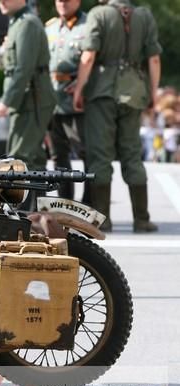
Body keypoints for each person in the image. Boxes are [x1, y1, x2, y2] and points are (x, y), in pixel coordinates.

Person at [73, 0, 160, 232]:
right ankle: (141, 219)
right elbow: (153, 59)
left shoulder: (98, 14)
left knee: (100, 155)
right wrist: (152, 93)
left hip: (102, 92)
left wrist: (79, 89)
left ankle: (104, 219)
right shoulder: (144, 15)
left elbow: (89, 55)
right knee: (132, 154)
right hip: (134, 91)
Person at [0, 0, 56, 172]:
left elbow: (24, 68)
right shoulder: (17, 22)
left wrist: (6, 101)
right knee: (32, 157)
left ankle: (26, 200)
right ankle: (35, 199)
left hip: (31, 98)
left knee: (18, 159)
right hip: (27, 98)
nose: (2, 2)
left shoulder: (27, 23)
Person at [45, 0, 89, 202]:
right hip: (53, 98)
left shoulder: (88, 25)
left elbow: (94, 62)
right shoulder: (50, 27)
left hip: (77, 100)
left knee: (86, 153)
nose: (62, 3)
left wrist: (82, 85)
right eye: (58, 0)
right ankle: (65, 205)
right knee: (58, 157)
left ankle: (90, 205)